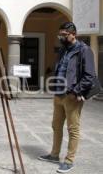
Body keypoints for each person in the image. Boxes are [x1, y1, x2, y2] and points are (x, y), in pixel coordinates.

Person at [38, 22, 96, 173]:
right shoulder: (63, 49)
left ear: (73, 34)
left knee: (73, 129)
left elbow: (89, 76)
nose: (61, 38)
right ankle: (54, 155)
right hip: (58, 94)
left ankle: (69, 160)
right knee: (56, 126)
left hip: (72, 96)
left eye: (64, 35)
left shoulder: (84, 50)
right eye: (60, 35)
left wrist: (76, 91)